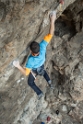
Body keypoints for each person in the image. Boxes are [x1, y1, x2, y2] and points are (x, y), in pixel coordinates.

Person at [13, 11, 56, 99]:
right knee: (43, 71)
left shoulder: (31, 60)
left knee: (30, 83)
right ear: (38, 46)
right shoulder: (43, 46)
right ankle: (49, 81)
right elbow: (51, 34)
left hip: (35, 69)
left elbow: (26, 72)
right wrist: (52, 20)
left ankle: (39, 93)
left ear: (31, 51)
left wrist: (18, 66)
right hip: (41, 64)